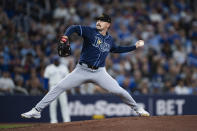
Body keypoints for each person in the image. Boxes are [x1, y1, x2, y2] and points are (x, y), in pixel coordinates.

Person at [21, 13, 150, 119]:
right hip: (81, 70)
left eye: (102, 21)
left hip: (100, 72)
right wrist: (66, 36)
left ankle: (138, 108)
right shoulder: (90, 31)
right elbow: (74, 28)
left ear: (108, 25)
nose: (98, 22)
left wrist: (134, 46)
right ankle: (37, 110)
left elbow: (116, 49)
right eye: (98, 20)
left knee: (119, 90)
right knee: (59, 86)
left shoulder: (110, 40)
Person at [44, 55, 70, 123]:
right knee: (52, 105)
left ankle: (66, 120)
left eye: (57, 60)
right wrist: (46, 88)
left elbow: (67, 79)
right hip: (52, 87)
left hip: (62, 87)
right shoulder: (49, 68)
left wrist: (67, 87)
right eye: (55, 60)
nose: (57, 61)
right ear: (53, 61)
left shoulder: (64, 67)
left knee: (64, 104)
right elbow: (46, 79)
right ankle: (53, 120)